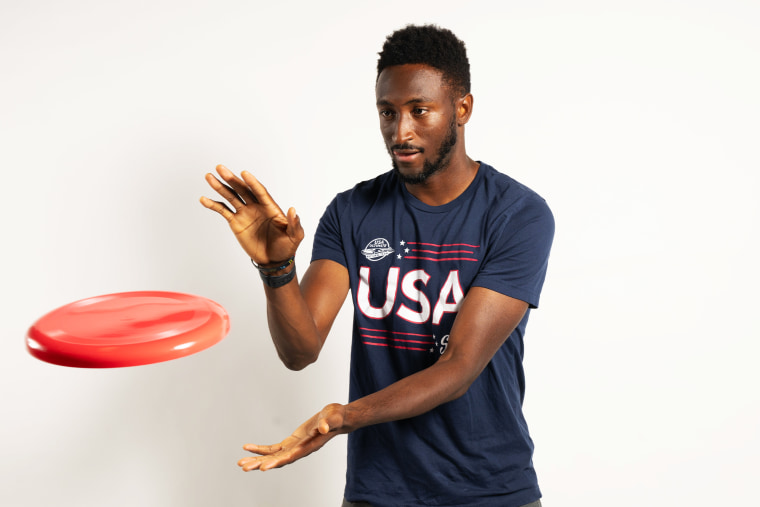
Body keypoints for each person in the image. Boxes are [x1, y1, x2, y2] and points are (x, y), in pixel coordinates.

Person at [200, 24, 554, 507]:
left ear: (462, 109)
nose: (400, 131)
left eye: (419, 111)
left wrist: (343, 418)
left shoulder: (517, 215)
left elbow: (459, 367)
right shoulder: (352, 212)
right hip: (379, 491)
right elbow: (300, 350)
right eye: (387, 113)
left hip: (490, 490)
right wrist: (277, 270)